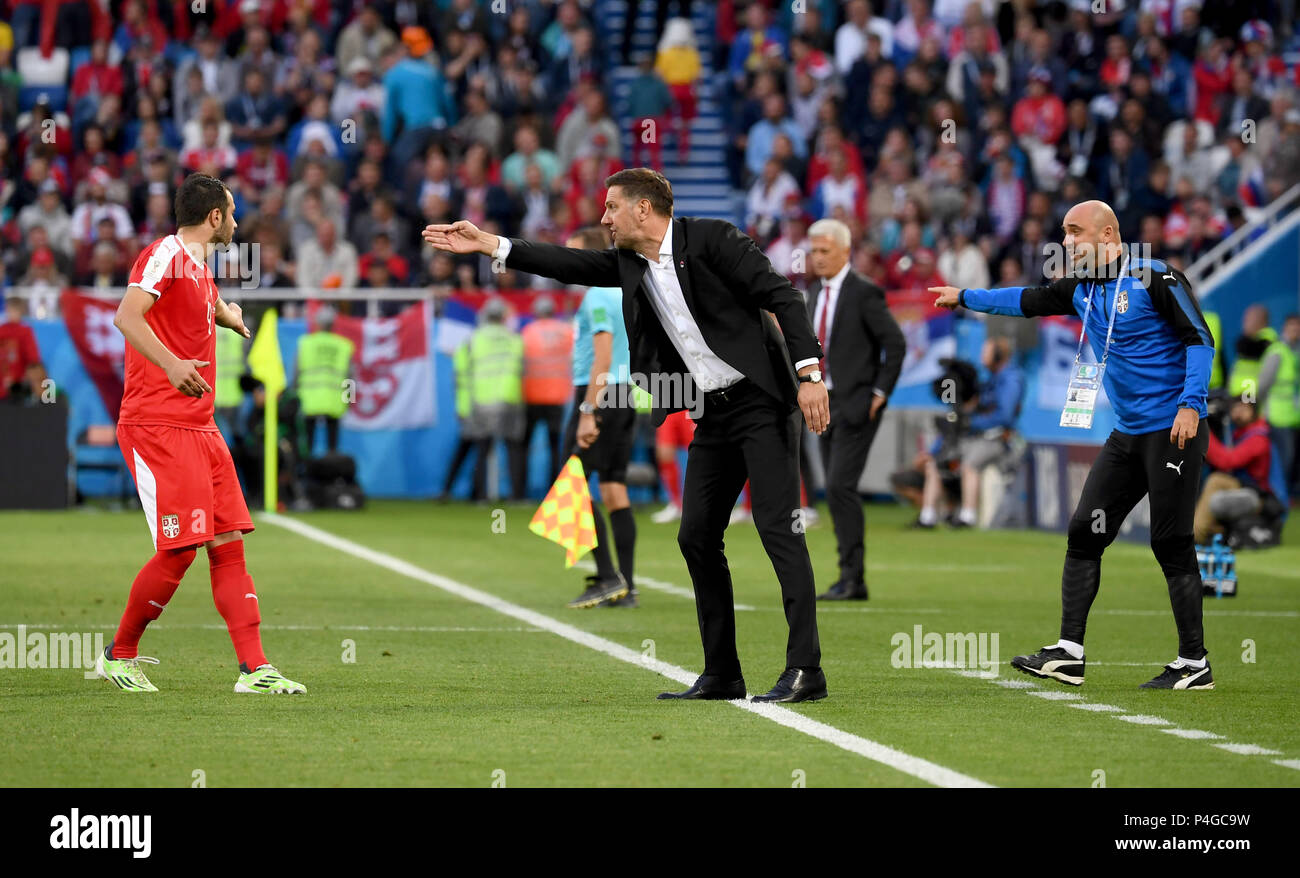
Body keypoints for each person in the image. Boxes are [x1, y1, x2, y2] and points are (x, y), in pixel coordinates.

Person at [423, 167, 831, 703]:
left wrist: (809, 377)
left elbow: (785, 298)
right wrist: (490, 244)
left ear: (643, 208)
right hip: (714, 412)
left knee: (779, 529)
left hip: (763, 402)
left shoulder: (714, 238)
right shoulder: (628, 264)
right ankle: (722, 674)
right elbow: (568, 264)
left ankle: (806, 669)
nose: (603, 218)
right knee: (696, 537)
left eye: (612, 207)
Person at [933, 199, 1217, 690]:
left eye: (1074, 232)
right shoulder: (1083, 289)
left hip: (1173, 430)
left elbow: (1199, 339)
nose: (1065, 242)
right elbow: (1025, 300)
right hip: (1128, 432)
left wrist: (1190, 404)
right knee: (1085, 531)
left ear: (1108, 236)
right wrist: (965, 296)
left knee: (1169, 540)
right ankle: (1069, 652)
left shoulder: (1155, 278)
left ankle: (1194, 662)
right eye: (1064, 233)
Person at [103, 173, 305, 694]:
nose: (236, 221)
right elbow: (127, 316)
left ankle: (254, 669)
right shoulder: (163, 254)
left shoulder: (198, 269)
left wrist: (228, 316)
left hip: (200, 427)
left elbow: (200, 303)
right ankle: (119, 655)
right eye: (232, 212)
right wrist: (171, 366)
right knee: (179, 550)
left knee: (229, 543)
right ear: (214, 216)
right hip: (157, 424)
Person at [805, 219, 905, 600]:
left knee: (838, 486)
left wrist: (880, 392)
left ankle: (853, 578)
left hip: (856, 404)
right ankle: (848, 574)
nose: (818, 258)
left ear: (846, 251)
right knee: (835, 489)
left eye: (825, 251)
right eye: (814, 251)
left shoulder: (864, 292)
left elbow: (894, 344)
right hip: (824, 404)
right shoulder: (813, 293)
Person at [561, 226, 640, 609]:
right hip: (626, 395)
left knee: (570, 483)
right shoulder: (622, 291)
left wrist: (589, 411)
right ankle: (627, 584)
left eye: (574, 256)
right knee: (613, 487)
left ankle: (608, 577)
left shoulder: (595, 297)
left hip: (601, 395)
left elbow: (603, 359)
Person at [917, 336, 1024, 529]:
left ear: (998, 355)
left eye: (986, 351)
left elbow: (1005, 417)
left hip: (997, 439)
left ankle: (967, 516)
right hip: (974, 437)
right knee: (936, 461)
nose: (982, 356)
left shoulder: (1011, 380)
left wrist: (970, 422)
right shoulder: (990, 380)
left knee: (970, 463)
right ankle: (928, 516)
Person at [452, 298, 525, 501]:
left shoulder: (473, 339)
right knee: (514, 448)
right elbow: (523, 368)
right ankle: (517, 496)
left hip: (482, 399)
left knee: (482, 448)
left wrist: (463, 407)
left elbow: (461, 374)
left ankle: (481, 496)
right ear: (503, 317)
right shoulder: (514, 339)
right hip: (510, 397)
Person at [1195, 399, 1277, 545]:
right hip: (1239, 490)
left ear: (1254, 411)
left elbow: (1227, 461)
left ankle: (1197, 534)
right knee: (1216, 484)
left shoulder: (1258, 437)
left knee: (1217, 490)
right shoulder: (1237, 433)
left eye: (1244, 408)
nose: (1238, 412)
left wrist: (1203, 429)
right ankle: (1205, 533)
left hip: (1256, 498)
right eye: (1235, 408)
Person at [518, 295, 573, 490]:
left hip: (532, 396)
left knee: (523, 446)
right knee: (554, 447)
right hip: (557, 397)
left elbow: (520, 363)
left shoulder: (528, 332)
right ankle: (554, 490)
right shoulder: (566, 331)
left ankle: (519, 491)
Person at [294, 304, 355, 455]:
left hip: (309, 401)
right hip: (334, 402)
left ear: (318, 323)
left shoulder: (306, 343)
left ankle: (306, 473)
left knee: (308, 442)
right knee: (332, 444)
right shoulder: (343, 346)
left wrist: (295, 395)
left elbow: (296, 373)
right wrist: (349, 401)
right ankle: (332, 473)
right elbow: (351, 377)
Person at [1257, 313, 1300, 493]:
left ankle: (1288, 496)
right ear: (1284, 328)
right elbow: (1263, 384)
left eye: (1297, 327)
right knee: (1283, 460)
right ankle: (1279, 496)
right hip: (1277, 416)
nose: (1295, 331)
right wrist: (1257, 409)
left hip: (1293, 416)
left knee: (1291, 461)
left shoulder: (1294, 352)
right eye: (1292, 327)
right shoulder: (1277, 352)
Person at [0, 296, 46, 402]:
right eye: (9, 310)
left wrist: (28, 378)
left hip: (18, 382)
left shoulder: (25, 332)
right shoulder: (2, 330)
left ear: (20, 312)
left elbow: (33, 358)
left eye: (14, 310)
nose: (11, 313)